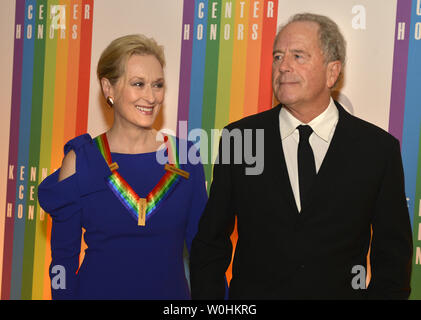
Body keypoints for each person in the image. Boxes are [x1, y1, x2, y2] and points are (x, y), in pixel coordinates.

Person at [189, 13, 413, 299]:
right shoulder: (241, 138)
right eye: (278, 56)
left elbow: (393, 259)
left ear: (332, 72)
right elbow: (210, 243)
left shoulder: (377, 150)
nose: (283, 66)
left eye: (298, 56)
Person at [38, 34, 207, 299]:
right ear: (109, 88)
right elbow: (63, 260)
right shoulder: (80, 160)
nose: (150, 97)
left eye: (158, 85)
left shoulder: (187, 157)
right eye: (138, 84)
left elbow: (205, 253)